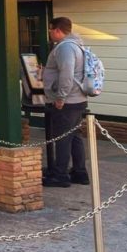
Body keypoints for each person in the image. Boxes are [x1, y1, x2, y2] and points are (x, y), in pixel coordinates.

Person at [42, 16, 89, 188]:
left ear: (57, 30)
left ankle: (60, 175)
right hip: (78, 98)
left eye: (50, 30)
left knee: (62, 137)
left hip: (68, 101)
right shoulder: (77, 45)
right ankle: (79, 172)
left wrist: (61, 96)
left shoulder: (65, 48)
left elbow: (66, 73)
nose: (49, 34)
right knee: (74, 136)